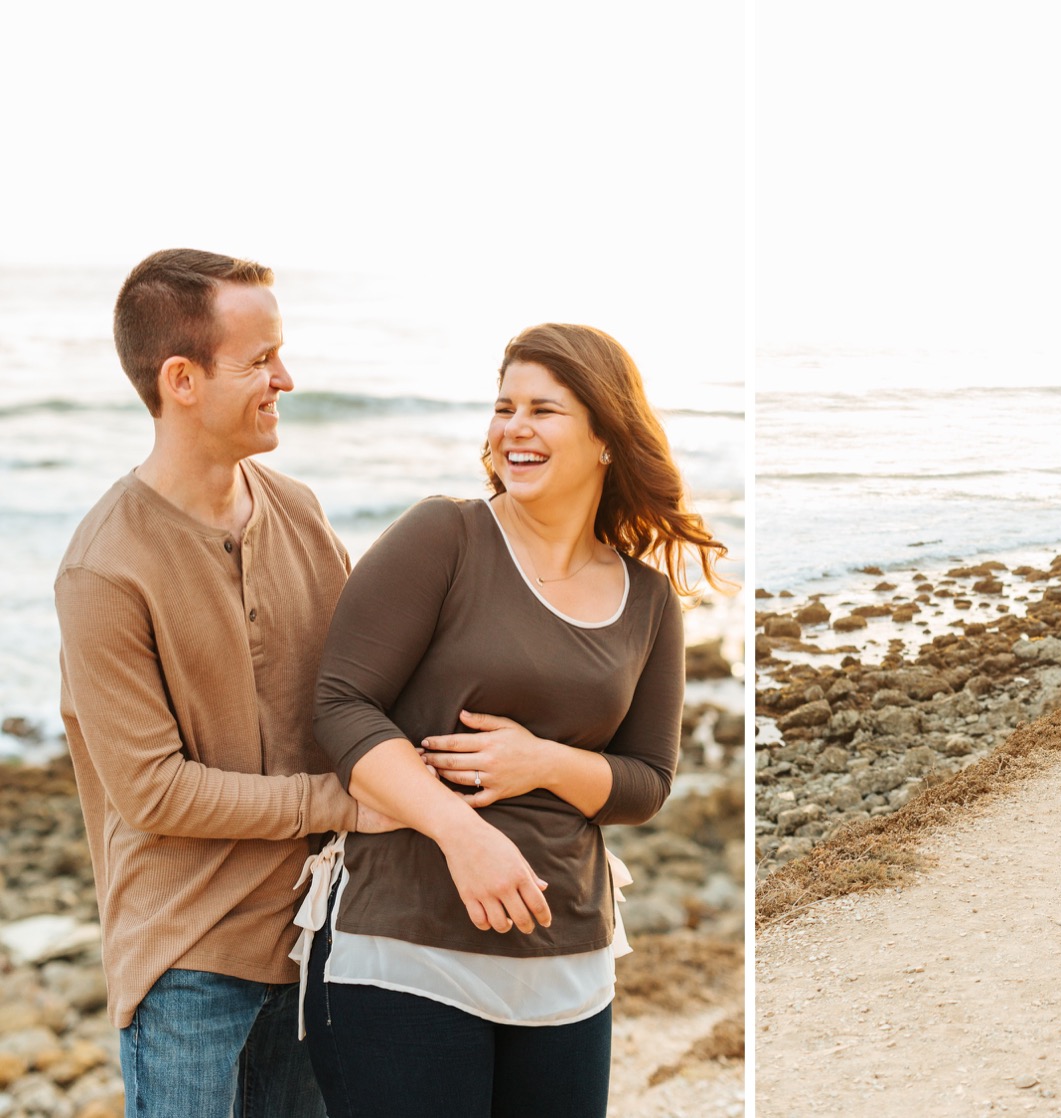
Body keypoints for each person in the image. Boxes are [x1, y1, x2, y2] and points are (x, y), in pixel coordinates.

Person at [299, 323, 728, 1118]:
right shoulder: (446, 536)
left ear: (606, 437)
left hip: (566, 954)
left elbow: (646, 784)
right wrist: (465, 837)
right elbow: (340, 705)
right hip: (403, 942)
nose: (513, 429)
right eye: (504, 408)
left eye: (543, 409)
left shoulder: (649, 600)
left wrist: (542, 763)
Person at [54, 248, 398, 1118]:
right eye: (260, 360)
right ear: (182, 380)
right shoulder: (104, 569)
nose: (286, 376)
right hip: (187, 960)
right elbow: (155, 793)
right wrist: (341, 804)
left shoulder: (300, 511)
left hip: (316, 938)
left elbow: (361, 692)